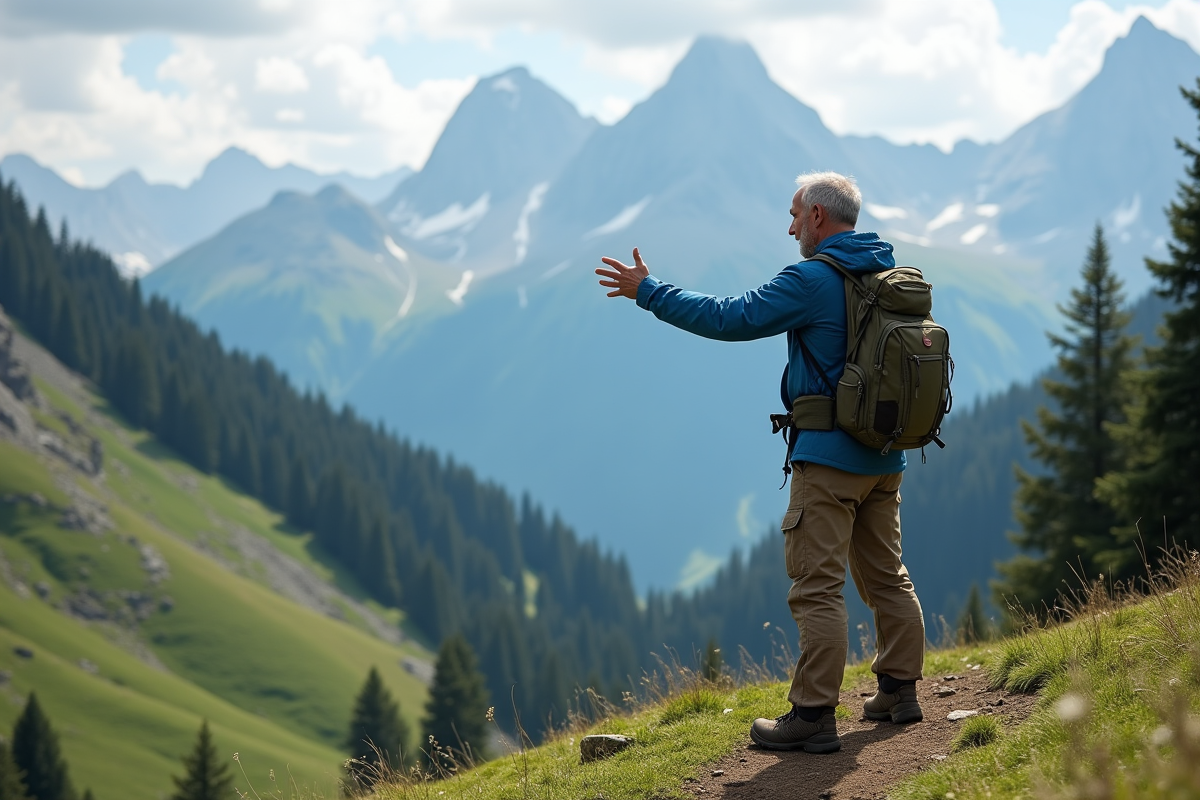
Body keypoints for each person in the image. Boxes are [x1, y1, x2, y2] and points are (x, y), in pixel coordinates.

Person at [595, 171, 926, 754]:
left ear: (820, 217)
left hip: (828, 460)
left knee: (818, 588)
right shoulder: (888, 273)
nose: (791, 224)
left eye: (796, 213)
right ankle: (899, 691)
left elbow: (730, 318)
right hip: (885, 456)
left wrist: (649, 291)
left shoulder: (813, 278)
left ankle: (813, 715)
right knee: (886, 574)